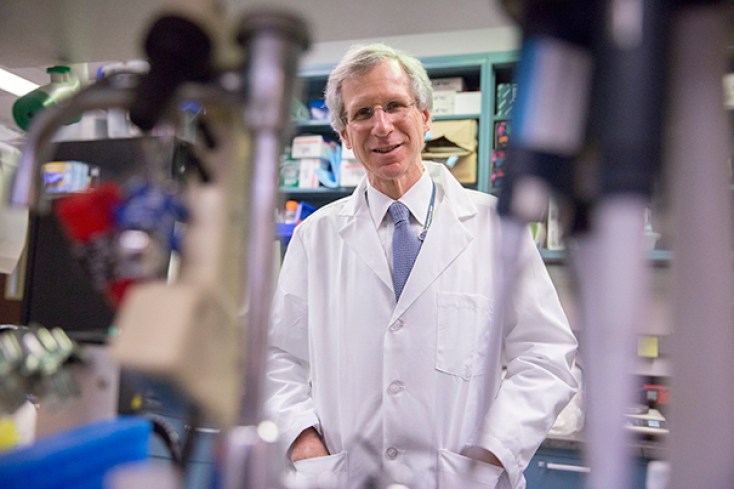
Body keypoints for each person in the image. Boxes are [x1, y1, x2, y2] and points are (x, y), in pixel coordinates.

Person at [265, 43, 578, 489]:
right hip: (346, 477)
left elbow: (546, 356)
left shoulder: (498, 229)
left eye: (395, 105)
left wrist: (491, 454)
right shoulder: (315, 237)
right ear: (343, 133)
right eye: (362, 113)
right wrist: (303, 441)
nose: (382, 126)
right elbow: (278, 358)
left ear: (426, 117)